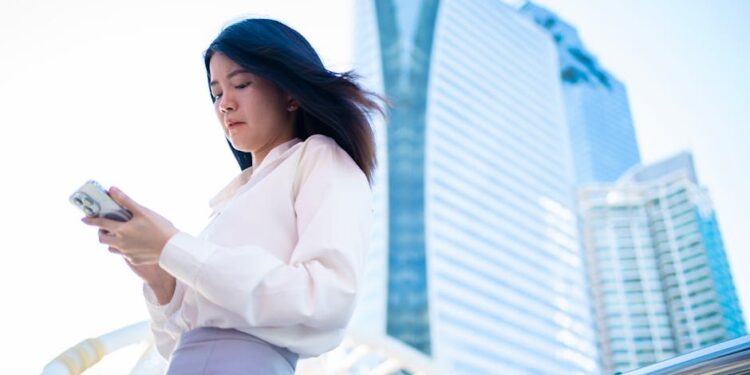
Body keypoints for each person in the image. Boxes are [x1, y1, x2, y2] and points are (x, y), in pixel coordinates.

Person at [81, 17, 382, 374]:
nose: (225, 104)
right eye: (216, 93)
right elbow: (177, 343)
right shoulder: (234, 200)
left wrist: (171, 246)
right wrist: (161, 278)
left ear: (288, 92)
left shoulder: (320, 158)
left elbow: (325, 299)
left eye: (240, 84)